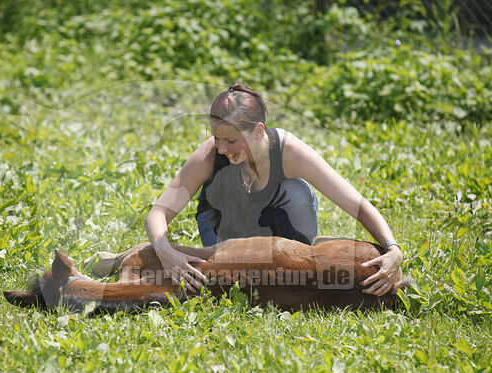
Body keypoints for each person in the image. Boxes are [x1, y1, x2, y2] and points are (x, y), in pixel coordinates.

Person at [144, 84, 403, 296]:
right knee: (227, 278)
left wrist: (392, 248)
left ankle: (292, 266)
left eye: (231, 141)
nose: (221, 148)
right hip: (226, 232)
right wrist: (165, 252)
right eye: (216, 138)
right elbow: (157, 214)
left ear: (258, 131)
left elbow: (356, 203)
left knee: (297, 192)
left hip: (282, 243)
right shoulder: (210, 154)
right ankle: (131, 258)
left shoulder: (289, 151)